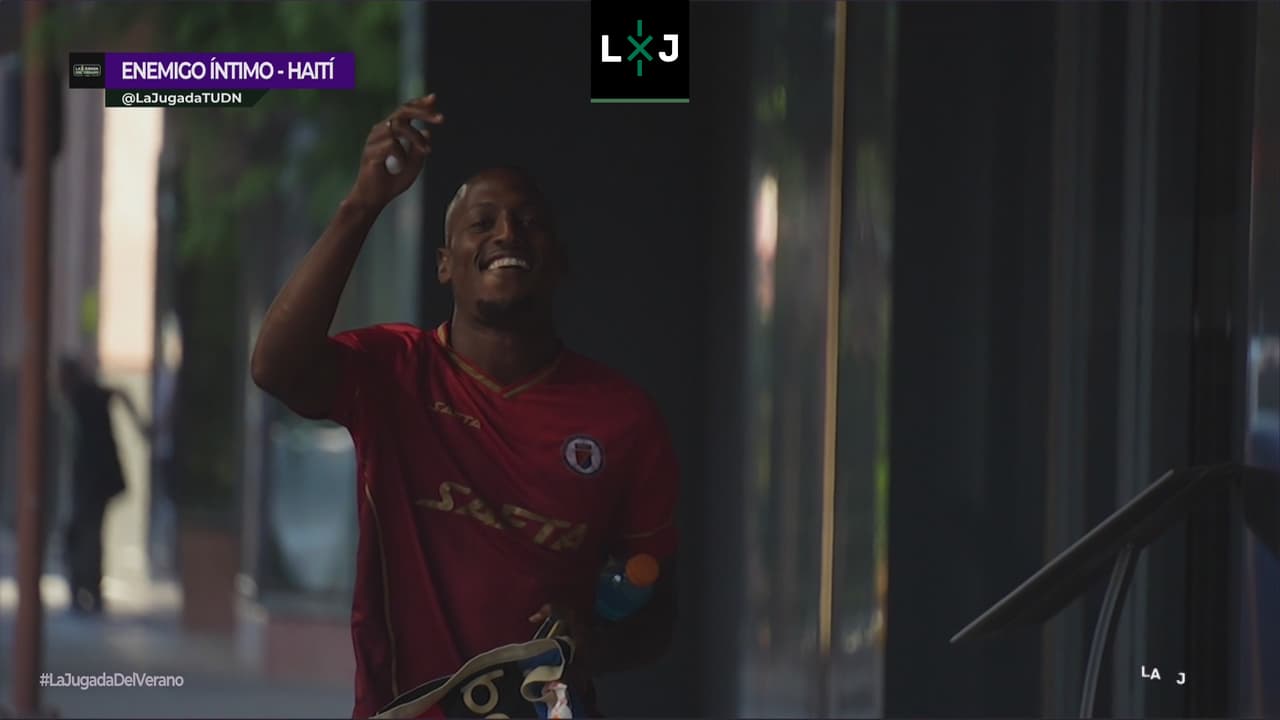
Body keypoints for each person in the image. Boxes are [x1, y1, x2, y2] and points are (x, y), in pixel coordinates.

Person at [250, 94, 680, 718]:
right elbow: (275, 368)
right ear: (445, 265)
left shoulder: (626, 419)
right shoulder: (394, 372)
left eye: (528, 222)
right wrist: (362, 204)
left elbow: (660, 612)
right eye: (482, 223)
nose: (507, 233)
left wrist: (597, 646)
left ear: (559, 262)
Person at [57, 356, 148, 614]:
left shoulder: (84, 397)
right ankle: (87, 588)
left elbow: (119, 393)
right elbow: (120, 394)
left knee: (86, 534)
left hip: (93, 479)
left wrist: (140, 426)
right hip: (94, 479)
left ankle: (86, 587)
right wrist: (140, 425)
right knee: (88, 533)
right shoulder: (83, 398)